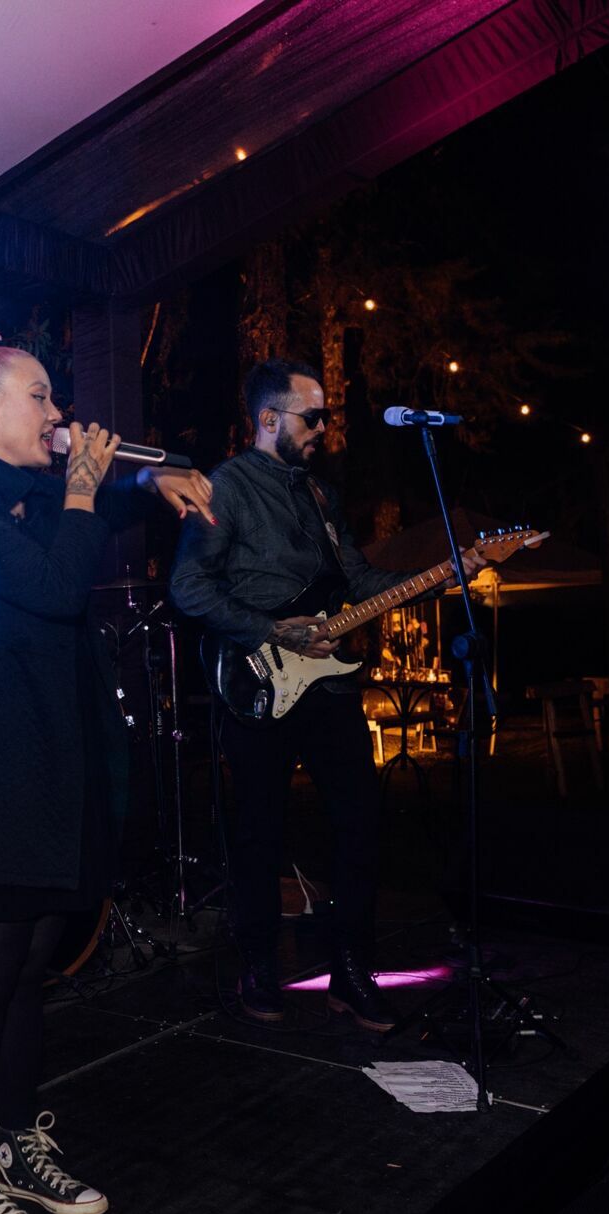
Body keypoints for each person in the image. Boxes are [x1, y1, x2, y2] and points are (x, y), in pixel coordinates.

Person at [0, 327, 214, 1214]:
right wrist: (86, 484)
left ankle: (17, 1138)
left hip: (52, 764)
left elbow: (106, 504)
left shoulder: (37, 492)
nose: (57, 412)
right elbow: (50, 584)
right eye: (39, 396)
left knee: (34, 972)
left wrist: (144, 478)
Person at [170, 358, 482, 1031]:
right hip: (255, 679)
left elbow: (360, 582)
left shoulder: (320, 494)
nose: (322, 429)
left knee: (361, 820)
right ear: (269, 419)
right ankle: (257, 969)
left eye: (325, 418)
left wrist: (443, 575)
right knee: (257, 832)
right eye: (311, 417)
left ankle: (351, 970)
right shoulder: (225, 486)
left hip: (330, 682)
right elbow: (188, 588)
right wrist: (268, 628)